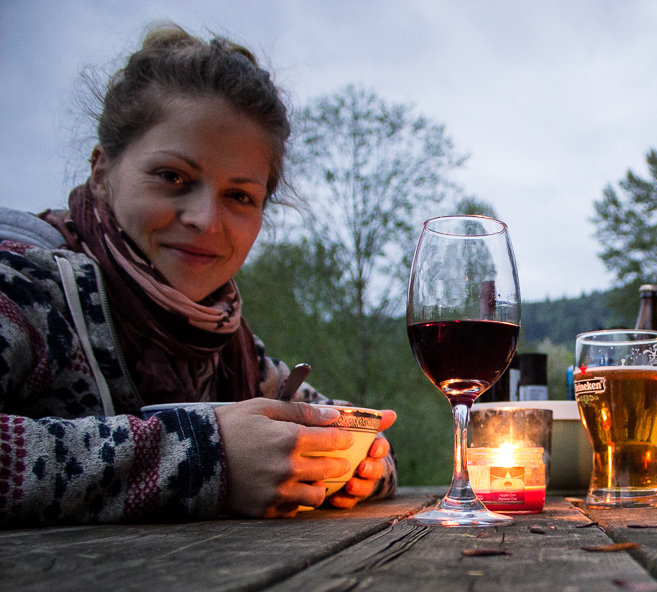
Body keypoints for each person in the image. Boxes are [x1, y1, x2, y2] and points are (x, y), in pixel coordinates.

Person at [0, 25, 396, 527]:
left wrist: (360, 461)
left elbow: (351, 427)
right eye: (173, 177)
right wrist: (209, 458)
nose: (205, 220)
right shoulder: (26, 290)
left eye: (239, 196)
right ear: (101, 172)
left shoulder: (224, 340)